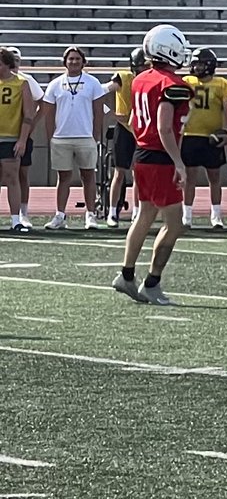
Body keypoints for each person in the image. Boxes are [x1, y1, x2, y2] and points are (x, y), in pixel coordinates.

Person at [112, 24, 193, 306]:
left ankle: (127, 273)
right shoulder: (174, 86)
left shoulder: (140, 79)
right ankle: (152, 282)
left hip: (142, 155)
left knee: (144, 215)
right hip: (160, 158)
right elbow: (165, 128)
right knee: (175, 223)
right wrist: (178, 163)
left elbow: (135, 121)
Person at [42, 47, 106, 230]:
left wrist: (95, 136)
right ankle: (60, 215)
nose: (74, 62)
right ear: (65, 62)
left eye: (77, 59)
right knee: (63, 177)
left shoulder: (93, 83)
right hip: (61, 137)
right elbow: (48, 113)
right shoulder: (55, 84)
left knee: (88, 176)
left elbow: (98, 112)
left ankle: (91, 215)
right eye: (70, 59)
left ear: (83, 62)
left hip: (85, 136)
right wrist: (50, 136)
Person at [182, 48, 227, 230]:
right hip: (189, 134)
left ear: (210, 65)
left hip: (212, 137)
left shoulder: (222, 84)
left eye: (200, 63)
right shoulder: (186, 82)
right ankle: (187, 216)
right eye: (194, 63)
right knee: (189, 178)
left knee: (215, 177)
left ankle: (216, 215)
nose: (196, 67)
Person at [106, 46, 148, 227]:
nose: (144, 70)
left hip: (142, 129)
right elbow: (101, 92)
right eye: (141, 67)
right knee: (119, 172)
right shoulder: (123, 78)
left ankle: (137, 212)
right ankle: (112, 211)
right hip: (125, 129)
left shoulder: (150, 80)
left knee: (138, 173)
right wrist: (112, 113)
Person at [6, 46, 43, 229]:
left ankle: (22, 213)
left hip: (17, 135)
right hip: (6, 134)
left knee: (20, 174)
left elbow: (39, 105)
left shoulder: (25, 81)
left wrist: (27, 131)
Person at [0, 48, 35, 233]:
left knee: (13, 178)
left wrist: (22, 140)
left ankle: (15, 220)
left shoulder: (21, 83)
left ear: (7, 64)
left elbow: (28, 115)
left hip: (10, 138)